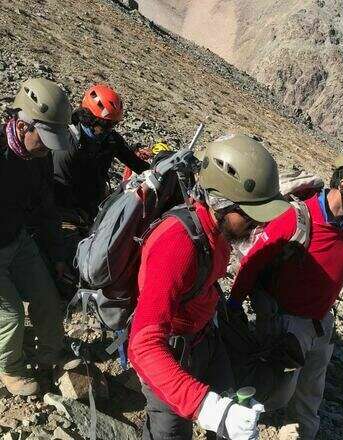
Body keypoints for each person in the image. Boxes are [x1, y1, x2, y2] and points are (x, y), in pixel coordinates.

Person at [128, 134, 292, 440]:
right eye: (249, 215)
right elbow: (143, 344)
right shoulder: (177, 244)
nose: (258, 225)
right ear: (220, 201)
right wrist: (207, 407)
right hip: (170, 352)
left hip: (205, 341)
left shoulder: (216, 233)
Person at [228, 140, 343, 439]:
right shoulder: (297, 217)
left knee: (311, 391)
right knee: (276, 391)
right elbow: (253, 262)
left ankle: (304, 433)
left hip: (321, 322)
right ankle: (234, 421)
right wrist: (233, 306)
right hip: (287, 322)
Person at [0, 78, 80, 396]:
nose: (48, 147)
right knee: (11, 315)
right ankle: (10, 368)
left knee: (47, 297)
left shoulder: (39, 157)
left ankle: (50, 352)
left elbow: (46, 209)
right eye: (44, 138)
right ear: (22, 126)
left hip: (17, 240)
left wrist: (58, 257)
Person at [52, 84, 150, 222]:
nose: (109, 129)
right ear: (88, 118)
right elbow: (58, 187)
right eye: (105, 124)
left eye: (113, 124)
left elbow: (136, 164)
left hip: (93, 205)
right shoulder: (67, 144)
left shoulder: (110, 140)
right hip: (64, 209)